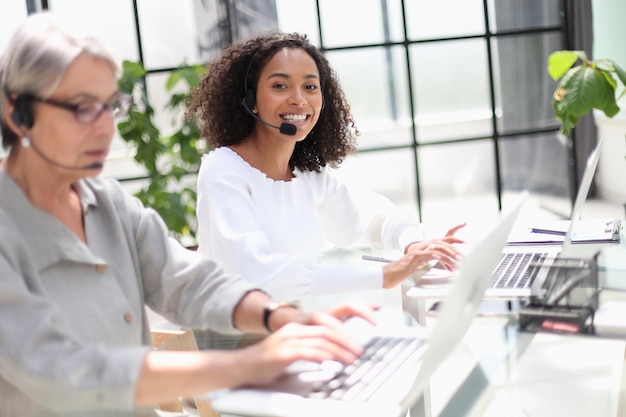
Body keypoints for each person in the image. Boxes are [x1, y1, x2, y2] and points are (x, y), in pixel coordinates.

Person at [0, 13, 375, 417]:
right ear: (17, 111)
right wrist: (249, 363)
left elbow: (189, 283)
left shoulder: (108, 203)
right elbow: (62, 370)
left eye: (110, 107)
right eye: (81, 108)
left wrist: (281, 318)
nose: (105, 129)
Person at [188, 31, 465, 302]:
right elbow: (259, 275)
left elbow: (374, 217)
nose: (299, 99)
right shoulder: (224, 171)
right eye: (280, 86)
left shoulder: (307, 175)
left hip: (292, 326)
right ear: (250, 101)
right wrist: (383, 274)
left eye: (310, 87)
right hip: (235, 339)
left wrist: (414, 243)